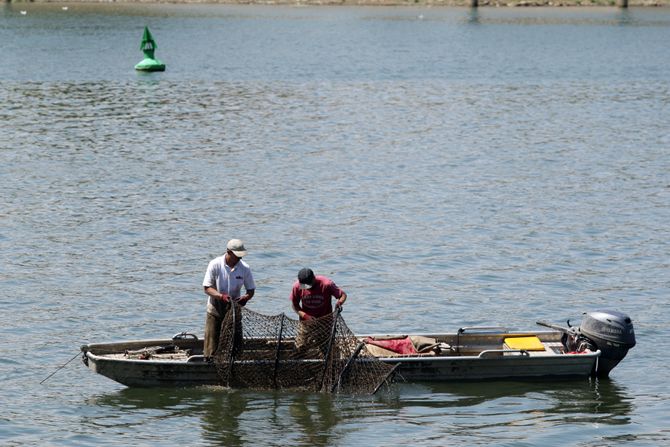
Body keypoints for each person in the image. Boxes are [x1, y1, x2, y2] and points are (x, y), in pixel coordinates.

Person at [202, 239, 256, 359]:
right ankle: (210, 362)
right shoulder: (215, 264)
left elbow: (251, 290)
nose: (239, 259)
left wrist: (246, 298)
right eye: (237, 256)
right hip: (215, 308)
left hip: (234, 308)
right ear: (228, 252)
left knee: (234, 345)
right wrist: (221, 296)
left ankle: (232, 362)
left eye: (241, 256)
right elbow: (207, 288)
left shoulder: (245, 268)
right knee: (212, 346)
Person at [290, 268, 347, 357]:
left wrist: (339, 303)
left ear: (314, 278)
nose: (307, 287)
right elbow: (295, 305)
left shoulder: (326, 284)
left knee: (326, 348)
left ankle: (330, 362)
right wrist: (305, 316)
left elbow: (343, 295)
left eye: (308, 285)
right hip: (306, 323)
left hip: (325, 321)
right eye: (304, 285)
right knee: (300, 347)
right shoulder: (298, 286)